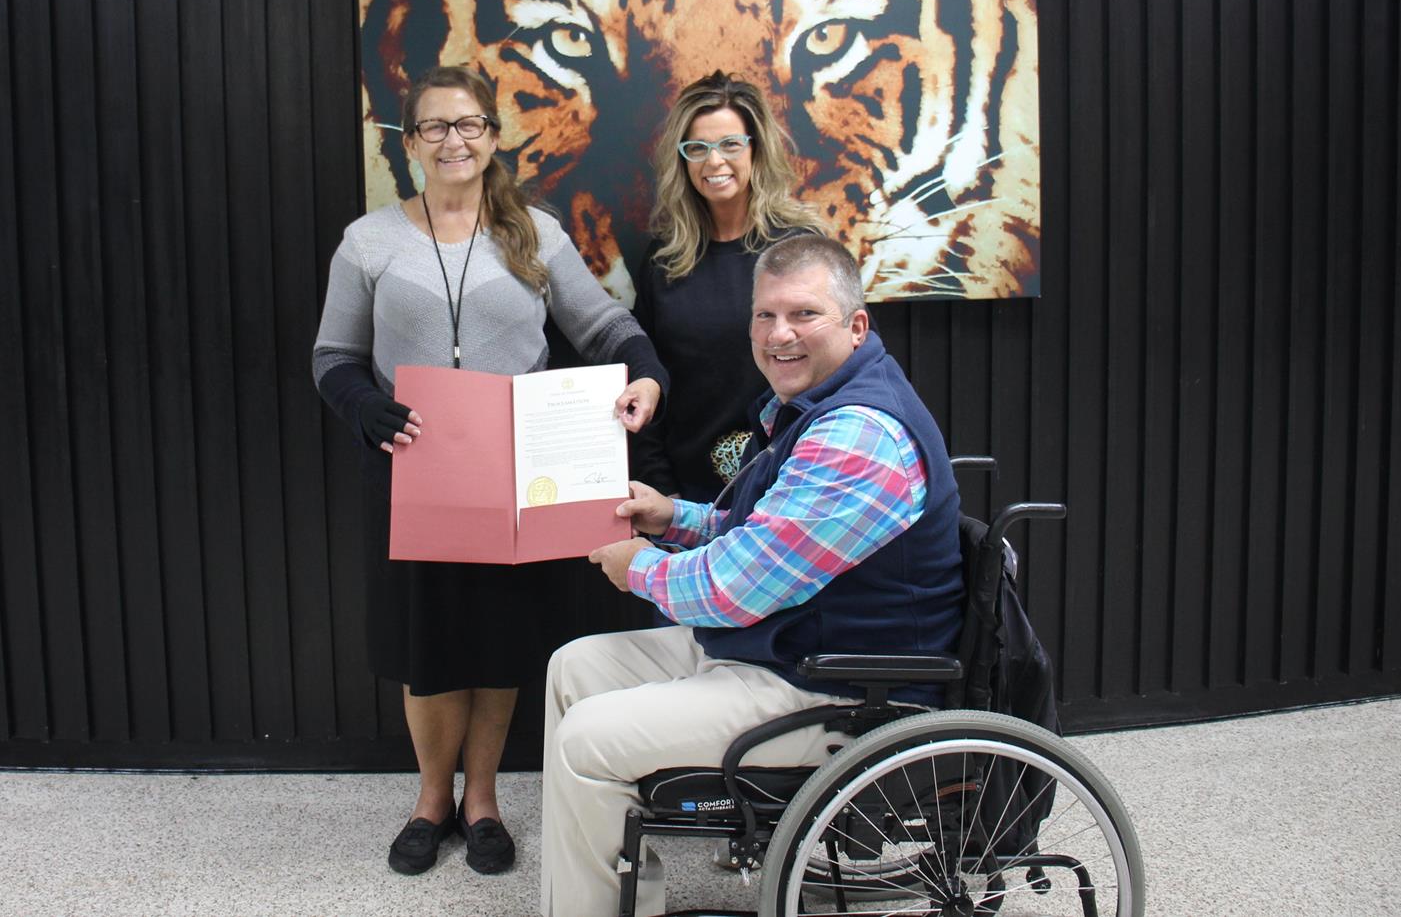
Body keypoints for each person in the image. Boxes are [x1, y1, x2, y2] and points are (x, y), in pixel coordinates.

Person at [538, 234, 965, 917]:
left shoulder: (857, 435)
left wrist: (640, 568)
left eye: (803, 315)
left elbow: (734, 590)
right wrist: (669, 514)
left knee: (587, 738)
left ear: (857, 325)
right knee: (575, 667)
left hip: (835, 685)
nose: (779, 334)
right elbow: (756, 533)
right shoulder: (815, 409)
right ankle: (599, 900)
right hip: (791, 645)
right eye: (765, 316)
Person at [313, 66, 669, 880]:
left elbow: (603, 322)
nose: (454, 141)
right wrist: (361, 405)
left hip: (520, 477)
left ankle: (483, 803)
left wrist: (645, 370)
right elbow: (332, 354)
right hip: (415, 472)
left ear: (493, 136)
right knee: (428, 644)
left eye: (469, 124)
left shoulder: (533, 233)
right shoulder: (369, 241)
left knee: (499, 643)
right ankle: (429, 800)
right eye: (435, 127)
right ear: (410, 145)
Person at [631, 71, 826, 505]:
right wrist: (663, 488)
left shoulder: (802, 248)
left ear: (756, 149)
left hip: (789, 487)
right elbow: (645, 376)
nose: (713, 161)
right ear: (682, 160)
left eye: (730, 144)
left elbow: (838, 372)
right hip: (684, 495)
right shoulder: (666, 258)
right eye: (697, 148)